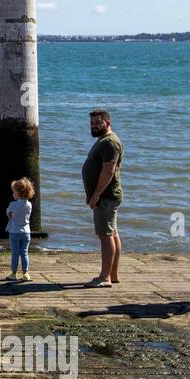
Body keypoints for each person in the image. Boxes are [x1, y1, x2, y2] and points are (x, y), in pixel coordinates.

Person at [82, 109, 124, 288]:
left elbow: (109, 171)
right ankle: (112, 274)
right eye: (92, 123)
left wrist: (96, 195)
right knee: (112, 233)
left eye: (98, 123)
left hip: (105, 197)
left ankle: (105, 277)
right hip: (106, 196)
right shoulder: (105, 141)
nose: (94, 126)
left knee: (105, 235)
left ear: (107, 123)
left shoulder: (110, 143)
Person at [6, 177, 34, 282]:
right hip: (26, 232)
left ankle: (13, 273)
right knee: (24, 253)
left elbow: (9, 216)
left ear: (19, 193)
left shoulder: (12, 204)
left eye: (14, 192)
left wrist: (8, 212)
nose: (13, 194)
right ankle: (25, 273)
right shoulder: (29, 205)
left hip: (15, 232)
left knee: (15, 253)